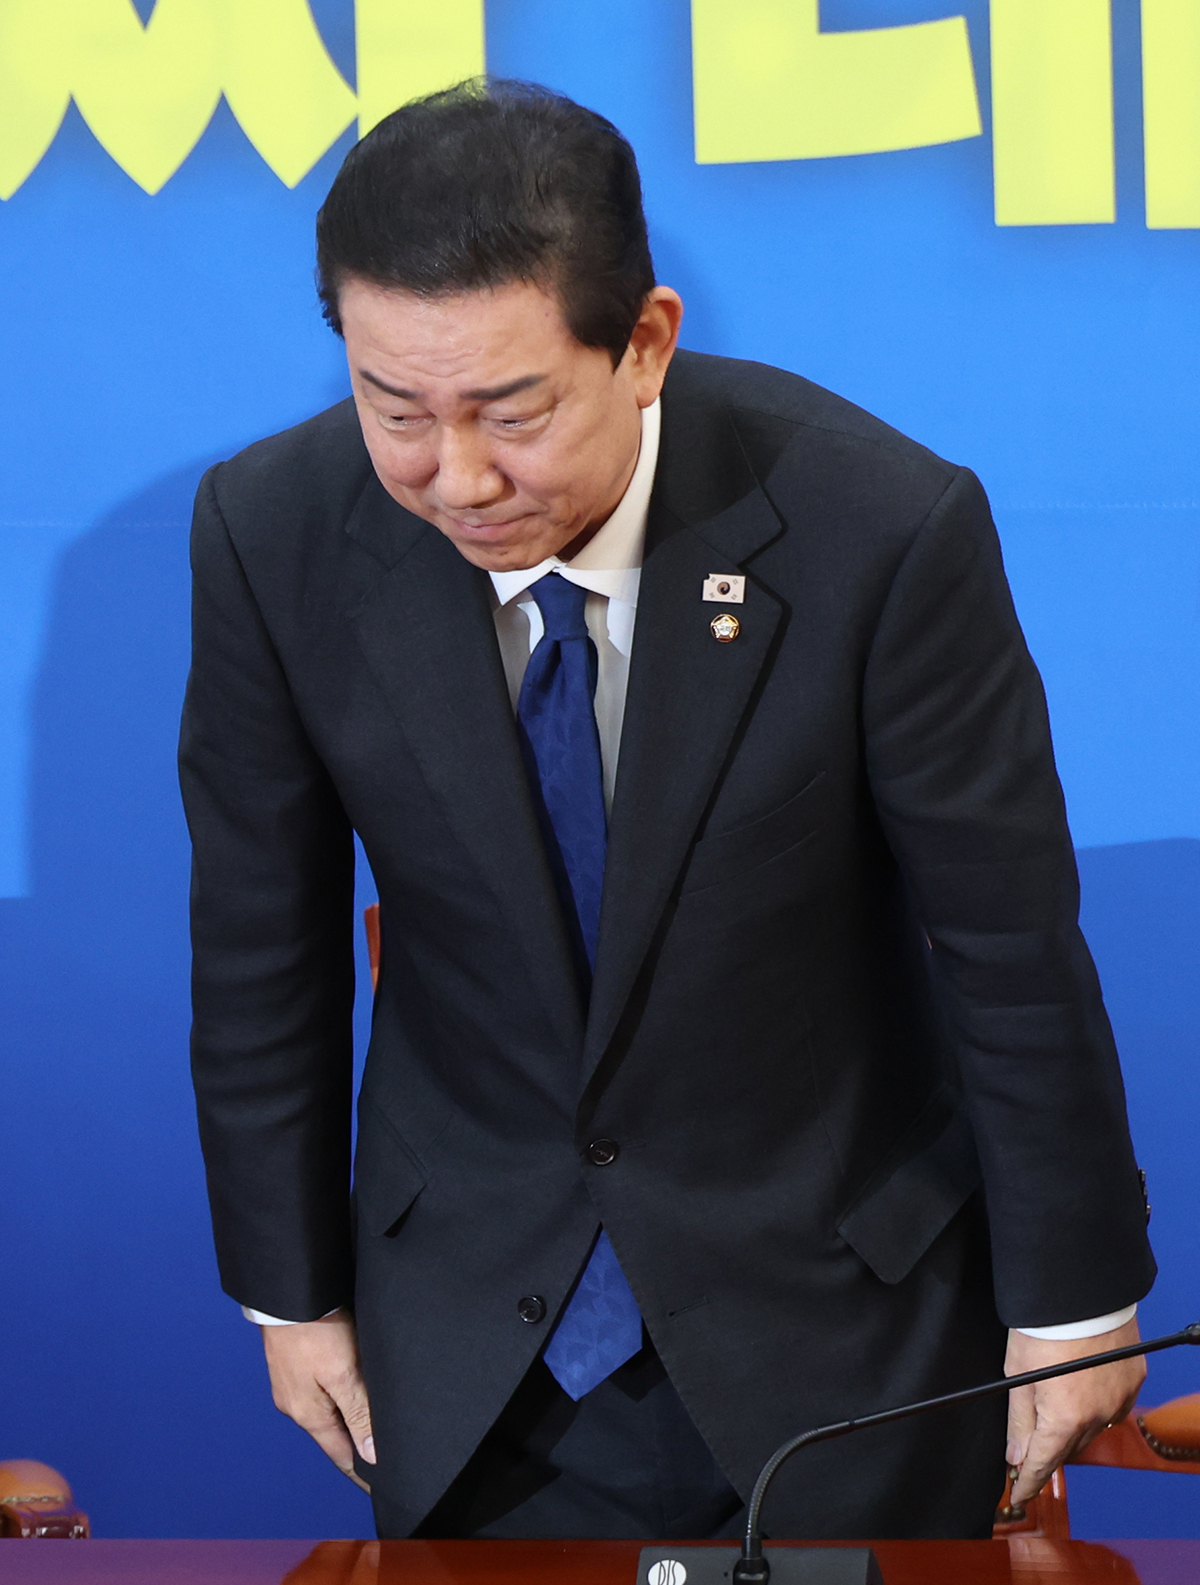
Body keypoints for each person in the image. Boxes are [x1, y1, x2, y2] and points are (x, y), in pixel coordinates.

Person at [179, 79, 1155, 1542]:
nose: (457, 478)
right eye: (396, 411)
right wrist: (290, 1290)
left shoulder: (881, 528)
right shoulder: (272, 532)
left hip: (846, 1324)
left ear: (644, 344)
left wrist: (1073, 1298)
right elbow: (263, 941)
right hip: (474, 1337)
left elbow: (1006, 944)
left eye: (512, 413)